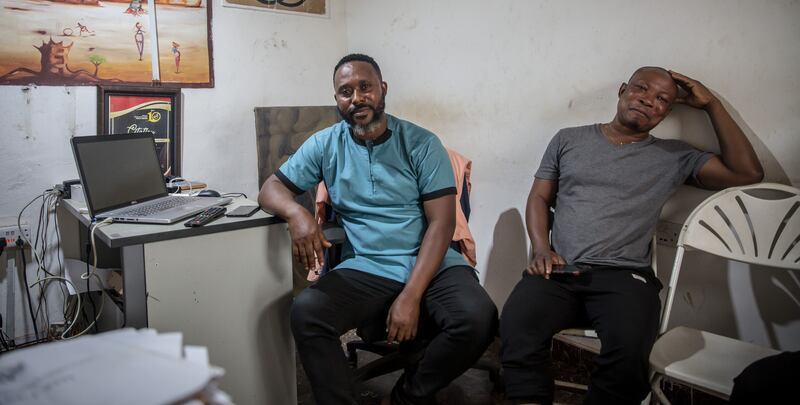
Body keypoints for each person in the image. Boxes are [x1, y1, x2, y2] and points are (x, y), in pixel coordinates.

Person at [500, 67, 764, 405]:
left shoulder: (675, 156)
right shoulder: (568, 139)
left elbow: (747, 173)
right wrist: (540, 248)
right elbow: (539, 197)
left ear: (667, 112)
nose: (648, 100)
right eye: (641, 88)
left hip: (625, 277)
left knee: (630, 350)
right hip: (560, 269)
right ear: (623, 90)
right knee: (517, 325)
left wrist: (711, 104)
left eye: (662, 100)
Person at [258, 54, 497, 405]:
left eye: (365, 87)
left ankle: (407, 397)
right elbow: (270, 189)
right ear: (337, 99)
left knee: (478, 318)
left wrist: (411, 296)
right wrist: (297, 213)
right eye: (346, 92)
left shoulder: (421, 143)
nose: (357, 98)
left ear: (382, 89)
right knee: (307, 313)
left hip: (430, 262)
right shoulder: (326, 144)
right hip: (370, 265)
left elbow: (442, 223)